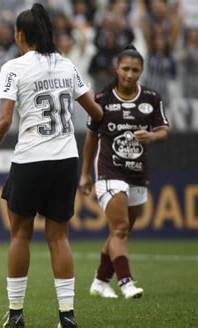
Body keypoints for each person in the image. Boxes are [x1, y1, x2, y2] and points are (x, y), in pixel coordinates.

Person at [0, 3, 103, 328]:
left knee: (20, 236)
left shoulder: (13, 67)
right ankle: (67, 316)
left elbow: (2, 122)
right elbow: (96, 114)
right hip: (66, 158)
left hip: (31, 158)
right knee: (59, 237)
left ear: (21, 34)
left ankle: (15, 315)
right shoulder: (68, 65)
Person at [79, 45, 169, 300]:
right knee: (119, 229)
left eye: (135, 70)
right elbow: (91, 138)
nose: (130, 74)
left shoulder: (152, 98)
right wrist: (85, 174)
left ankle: (99, 280)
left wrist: (151, 136)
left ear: (141, 71)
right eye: (126, 69)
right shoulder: (103, 98)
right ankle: (126, 281)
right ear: (116, 68)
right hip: (109, 171)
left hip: (138, 172)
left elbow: (164, 131)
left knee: (122, 231)